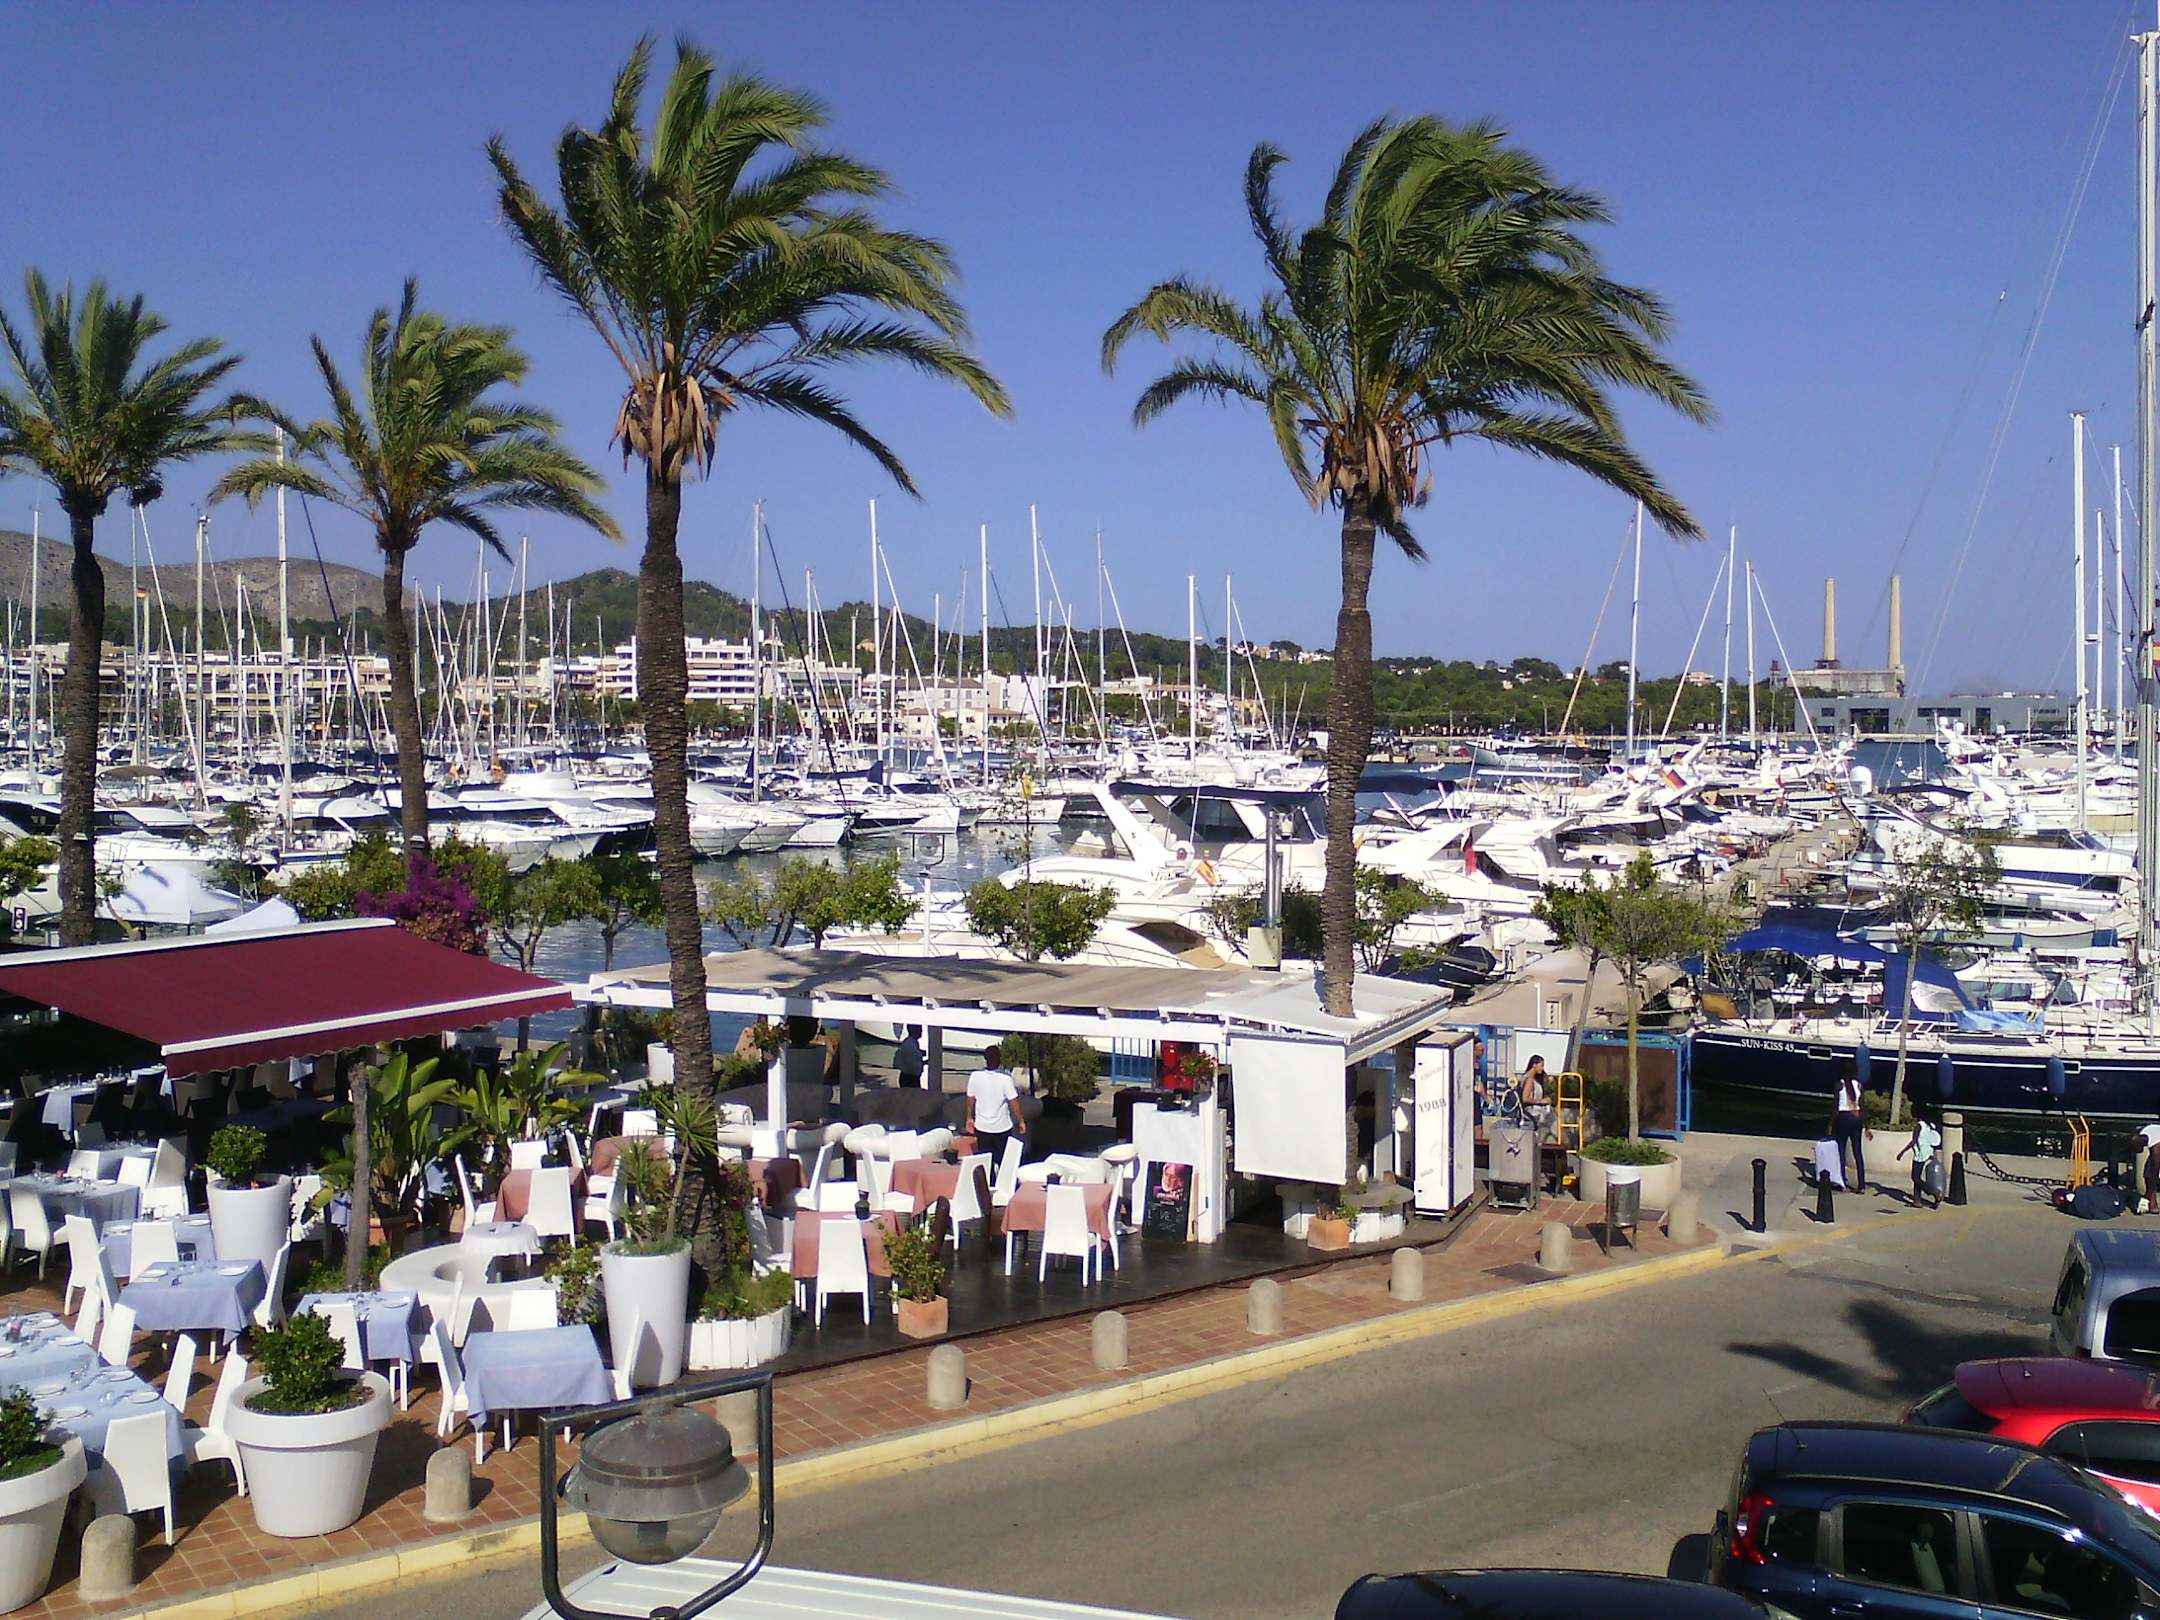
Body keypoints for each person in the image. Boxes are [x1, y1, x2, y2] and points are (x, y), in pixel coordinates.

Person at [965, 1039, 1027, 1165]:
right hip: (1001, 1127)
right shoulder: (1005, 1078)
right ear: (999, 1058)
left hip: (982, 1127)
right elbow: (1013, 1102)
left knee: (985, 1163)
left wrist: (969, 1117)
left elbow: (970, 1100)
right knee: (1002, 1162)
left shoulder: (975, 1076)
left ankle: (988, 1178)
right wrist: (1021, 1120)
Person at [1896, 1109, 1943, 1209]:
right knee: (1917, 1177)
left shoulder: (1919, 1126)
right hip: (1927, 1152)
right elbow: (1933, 1139)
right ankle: (1917, 1201)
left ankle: (1935, 1192)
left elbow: (1913, 1141)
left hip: (1920, 1154)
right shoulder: (1930, 1125)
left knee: (1915, 1177)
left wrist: (1902, 1152)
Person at [1831, 1065, 1867, 1192]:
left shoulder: (1839, 1085)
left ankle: (1842, 1182)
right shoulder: (1859, 1086)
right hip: (1856, 1119)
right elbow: (1862, 1106)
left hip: (1843, 1118)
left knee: (1841, 1151)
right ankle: (1861, 1184)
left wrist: (1830, 1125)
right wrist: (1866, 1125)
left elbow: (1835, 1107)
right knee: (1858, 1152)